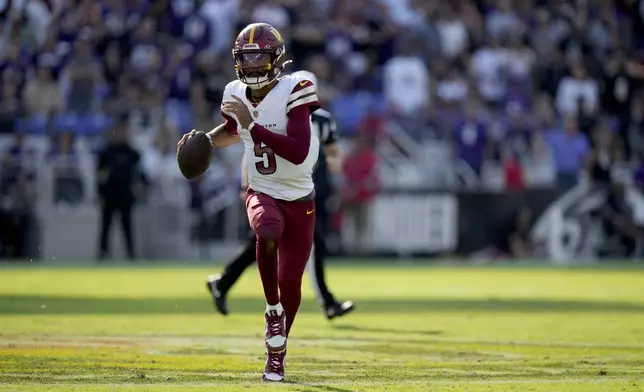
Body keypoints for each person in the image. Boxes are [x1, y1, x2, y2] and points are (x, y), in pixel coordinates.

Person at [177, 23, 320, 382]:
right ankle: (272, 311)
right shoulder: (234, 92)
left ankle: (277, 352)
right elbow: (233, 129)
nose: (254, 65)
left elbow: (300, 150)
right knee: (266, 231)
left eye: (260, 56)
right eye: (247, 57)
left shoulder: (297, 86)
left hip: (300, 196)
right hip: (262, 190)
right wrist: (206, 141)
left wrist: (251, 126)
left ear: (277, 59)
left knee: (292, 284)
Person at [205, 70, 355, 321]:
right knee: (284, 241)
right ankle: (326, 301)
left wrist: (335, 163)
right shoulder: (277, 110)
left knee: (268, 241)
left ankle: (223, 281)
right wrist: (246, 183)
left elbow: (333, 150)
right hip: (272, 184)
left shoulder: (321, 119)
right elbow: (251, 145)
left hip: (303, 187)